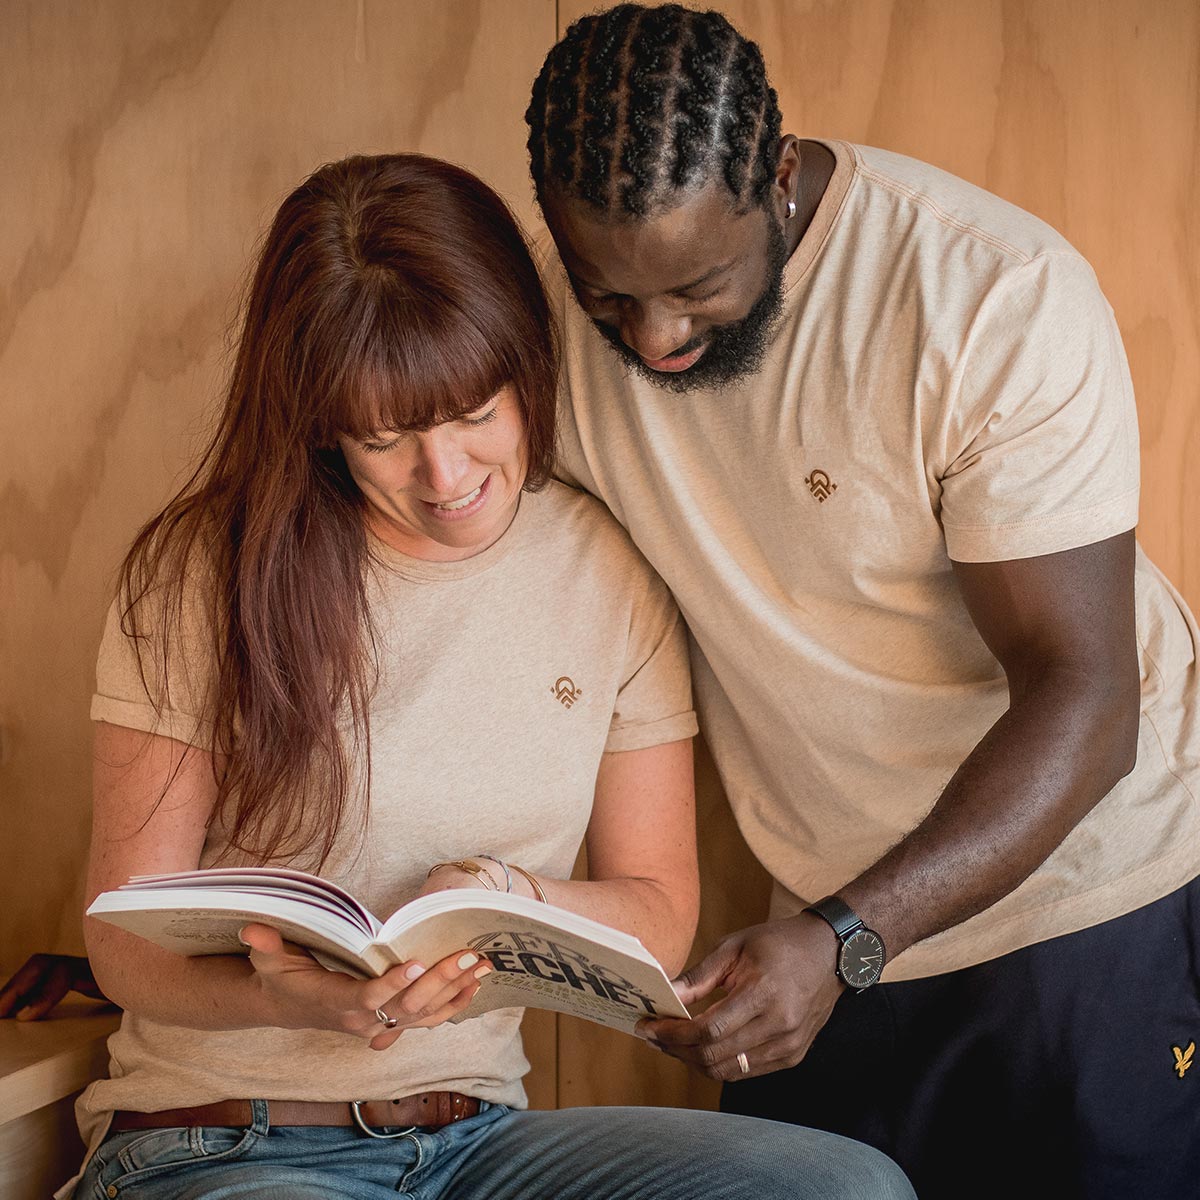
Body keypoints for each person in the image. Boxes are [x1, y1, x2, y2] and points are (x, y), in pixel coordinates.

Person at [52, 152, 913, 1200]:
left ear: (525, 365)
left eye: (472, 414)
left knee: (842, 1190)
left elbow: (657, 906)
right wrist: (302, 1005)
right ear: (324, 424)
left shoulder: (605, 570)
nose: (447, 477)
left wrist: (511, 895)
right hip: (224, 1143)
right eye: (386, 438)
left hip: (477, 1147)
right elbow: (121, 940)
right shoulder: (203, 571)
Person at [525, 6, 1200, 1198]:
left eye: (698, 285)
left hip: (1086, 904)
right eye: (609, 296)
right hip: (821, 931)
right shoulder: (554, 325)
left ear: (778, 178)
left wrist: (845, 940)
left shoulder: (989, 296)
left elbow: (1090, 698)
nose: (657, 337)